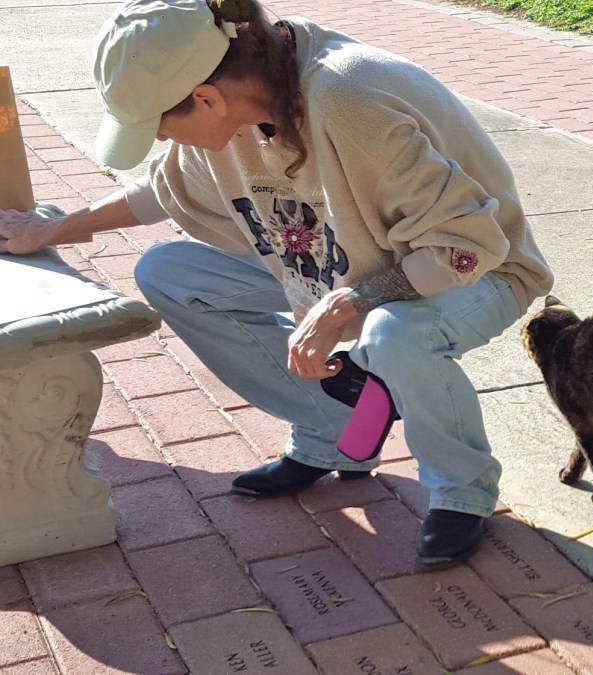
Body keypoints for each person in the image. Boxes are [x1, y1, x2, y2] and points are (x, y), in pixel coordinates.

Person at [0, 0, 553, 566]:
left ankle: (462, 492)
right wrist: (53, 229)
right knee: (168, 271)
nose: (163, 139)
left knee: (394, 334)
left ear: (206, 99)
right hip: (348, 261)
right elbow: (162, 190)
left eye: (160, 125)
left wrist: (346, 304)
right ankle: (331, 429)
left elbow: (466, 246)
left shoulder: (349, 98)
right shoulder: (242, 95)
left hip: (478, 268)